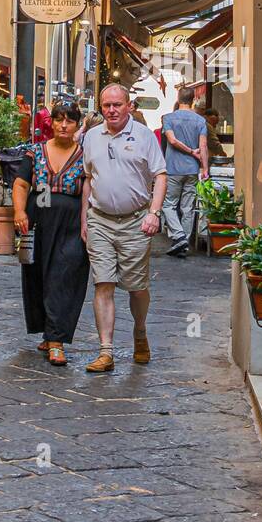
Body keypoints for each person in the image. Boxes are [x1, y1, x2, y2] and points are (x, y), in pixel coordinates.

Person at [80, 84, 167, 373]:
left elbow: (161, 176)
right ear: (101, 107)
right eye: (106, 105)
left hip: (135, 221)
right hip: (100, 220)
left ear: (128, 106)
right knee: (103, 283)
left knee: (136, 287)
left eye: (117, 105)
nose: (112, 110)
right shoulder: (92, 137)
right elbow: (88, 179)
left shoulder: (144, 136)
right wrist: (85, 218)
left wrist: (154, 213)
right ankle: (106, 351)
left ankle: (140, 332)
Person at [12, 99, 89, 368]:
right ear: (52, 123)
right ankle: (48, 330)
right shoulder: (35, 151)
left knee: (63, 275)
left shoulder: (85, 155)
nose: (63, 125)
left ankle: (56, 340)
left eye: (69, 120)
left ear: (78, 124)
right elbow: (21, 184)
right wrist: (19, 212)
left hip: (70, 222)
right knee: (38, 276)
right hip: (38, 219)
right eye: (59, 120)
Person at [160, 87, 208, 258]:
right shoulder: (200, 120)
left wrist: (188, 150)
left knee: (168, 204)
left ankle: (178, 236)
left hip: (173, 168)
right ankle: (184, 243)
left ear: (178, 98)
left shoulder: (168, 118)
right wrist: (205, 168)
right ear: (193, 99)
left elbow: (172, 140)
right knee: (187, 207)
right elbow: (203, 146)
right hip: (192, 169)